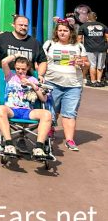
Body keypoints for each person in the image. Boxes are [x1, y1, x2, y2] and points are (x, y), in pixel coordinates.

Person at [40, 21, 88, 152]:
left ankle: (69, 140)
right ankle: (49, 132)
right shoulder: (49, 44)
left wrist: (82, 63)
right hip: (52, 83)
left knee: (70, 113)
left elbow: (87, 63)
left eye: (65, 30)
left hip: (73, 85)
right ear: (56, 32)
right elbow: (41, 61)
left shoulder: (78, 46)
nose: (62, 32)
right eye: (60, 30)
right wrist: (40, 75)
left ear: (70, 32)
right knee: (51, 110)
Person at [0, 55, 52, 158]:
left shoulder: (33, 79)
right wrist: (16, 55)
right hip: (12, 109)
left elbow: (43, 99)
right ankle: (9, 144)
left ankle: (39, 147)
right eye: (18, 68)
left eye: (23, 69)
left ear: (28, 68)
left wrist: (32, 85)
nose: (20, 71)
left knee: (47, 114)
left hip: (27, 111)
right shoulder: (10, 76)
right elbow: (4, 62)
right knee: (0, 109)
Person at [0, 15, 47, 82]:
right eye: (20, 25)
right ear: (13, 25)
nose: (23, 27)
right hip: (5, 77)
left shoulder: (35, 42)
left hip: (27, 79)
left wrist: (40, 75)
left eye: (26, 26)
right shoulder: (3, 38)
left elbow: (43, 61)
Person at [78, 11, 107, 87]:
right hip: (102, 48)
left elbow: (79, 39)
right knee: (100, 65)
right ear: (96, 18)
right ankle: (99, 81)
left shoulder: (83, 26)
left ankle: (93, 82)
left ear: (87, 17)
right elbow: (107, 38)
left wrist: (79, 49)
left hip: (89, 49)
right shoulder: (103, 26)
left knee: (92, 65)